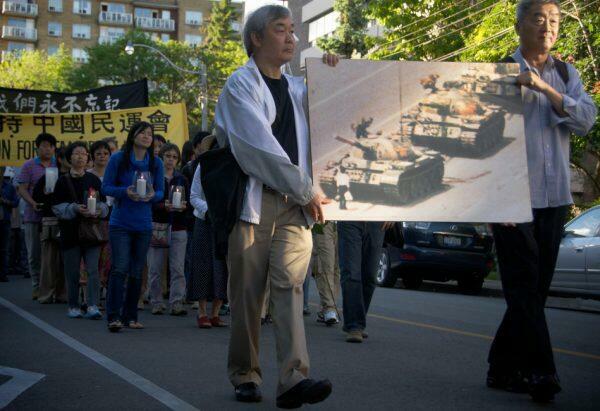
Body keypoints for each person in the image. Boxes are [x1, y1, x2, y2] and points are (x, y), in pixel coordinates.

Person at [214, 5, 338, 407]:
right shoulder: (239, 85)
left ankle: (293, 379)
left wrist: (335, 75)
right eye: (281, 30)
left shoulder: (300, 88)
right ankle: (245, 374)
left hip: (295, 204)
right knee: (249, 294)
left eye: (292, 31)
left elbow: (335, 113)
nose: (291, 38)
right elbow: (257, 150)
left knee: (291, 285)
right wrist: (307, 191)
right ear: (256, 38)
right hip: (253, 202)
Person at [486, 0, 597, 403]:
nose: (548, 26)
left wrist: (545, 89)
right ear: (518, 25)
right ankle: (541, 372)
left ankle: (500, 365)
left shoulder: (567, 74)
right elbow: (481, 142)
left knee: (534, 291)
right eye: (538, 18)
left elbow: (586, 120)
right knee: (522, 287)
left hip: (554, 198)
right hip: (512, 201)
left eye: (554, 20)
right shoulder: (495, 73)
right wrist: (494, 202)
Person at [102, 122, 164, 332]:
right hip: (120, 223)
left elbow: (161, 192)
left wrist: (152, 195)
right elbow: (106, 187)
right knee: (119, 268)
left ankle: (131, 316)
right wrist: (125, 192)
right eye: (142, 133)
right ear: (132, 135)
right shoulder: (118, 158)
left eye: (150, 134)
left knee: (137, 271)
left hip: (144, 224)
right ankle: (113, 316)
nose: (147, 137)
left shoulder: (156, 162)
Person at [52, 142, 109, 319]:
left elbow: (104, 204)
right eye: (77, 154)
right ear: (69, 158)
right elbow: (55, 207)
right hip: (70, 233)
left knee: (93, 270)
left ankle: (92, 304)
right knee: (73, 271)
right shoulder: (62, 181)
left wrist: (98, 210)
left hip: (91, 232)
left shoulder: (93, 180)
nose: (81, 157)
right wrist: (74, 209)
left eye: (84, 154)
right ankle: (73, 305)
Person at [188, 135, 229, 328]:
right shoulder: (202, 166)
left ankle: (216, 313)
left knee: (222, 266)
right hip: (204, 222)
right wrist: (209, 211)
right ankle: (202, 311)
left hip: (224, 223)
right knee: (202, 264)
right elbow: (194, 196)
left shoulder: (232, 169)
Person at [148, 143, 189, 316]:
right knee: (155, 267)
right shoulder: (152, 177)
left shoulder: (182, 179)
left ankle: (176, 302)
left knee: (178, 267)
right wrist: (162, 206)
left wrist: (184, 207)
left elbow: (191, 202)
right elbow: (146, 200)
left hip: (179, 226)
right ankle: (156, 301)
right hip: (158, 225)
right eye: (167, 156)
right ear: (161, 157)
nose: (171, 160)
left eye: (174, 157)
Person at [16, 133, 57, 299]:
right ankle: (36, 286)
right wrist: (32, 203)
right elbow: (22, 188)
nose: (47, 149)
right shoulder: (29, 165)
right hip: (33, 216)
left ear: (54, 148)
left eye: (50, 146)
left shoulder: (58, 164)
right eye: (43, 146)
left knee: (52, 254)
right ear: (37, 147)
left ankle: (51, 287)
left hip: (54, 216)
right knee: (34, 253)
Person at [338, 221, 393, 343]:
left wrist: (394, 214)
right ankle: (354, 325)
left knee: (370, 275)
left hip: (378, 219)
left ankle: (357, 320)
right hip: (349, 218)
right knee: (351, 272)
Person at [31, 148, 69, 304]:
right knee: (48, 261)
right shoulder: (50, 175)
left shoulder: (76, 175)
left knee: (66, 260)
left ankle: (62, 294)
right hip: (51, 221)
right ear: (60, 159)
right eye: (71, 156)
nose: (76, 158)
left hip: (69, 223)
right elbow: (36, 196)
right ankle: (46, 294)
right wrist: (47, 195)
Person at [88, 141, 113, 291]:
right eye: (98, 153)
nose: (102, 156)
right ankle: (90, 290)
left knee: (108, 257)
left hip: (111, 219)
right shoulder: (88, 175)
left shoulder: (114, 174)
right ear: (92, 156)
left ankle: (104, 288)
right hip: (92, 221)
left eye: (105, 153)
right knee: (93, 258)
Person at [311, 222, 340, 325]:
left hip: (345, 222)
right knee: (325, 265)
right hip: (323, 222)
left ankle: (328, 307)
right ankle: (329, 308)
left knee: (337, 268)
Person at [0, 167, 19, 282]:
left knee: (4, 249)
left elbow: (15, 202)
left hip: (4, 221)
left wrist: (5, 201)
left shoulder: (9, 187)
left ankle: (3, 273)